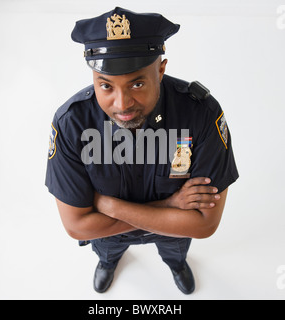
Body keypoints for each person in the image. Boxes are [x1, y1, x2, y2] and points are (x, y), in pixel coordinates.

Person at [45, 7, 238, 295]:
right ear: (94, 78)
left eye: (137, 83)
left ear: (160, 70)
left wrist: (108, 206)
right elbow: (77, 227)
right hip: (111, 237)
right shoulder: (72, 123)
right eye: (106, 86)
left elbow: (204, 225)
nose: (122, 104)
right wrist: (170, 206)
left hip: (171, 235)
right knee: (106, 252)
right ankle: (109, 264)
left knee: (175, 252)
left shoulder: (200, 114)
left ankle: (175, 265)